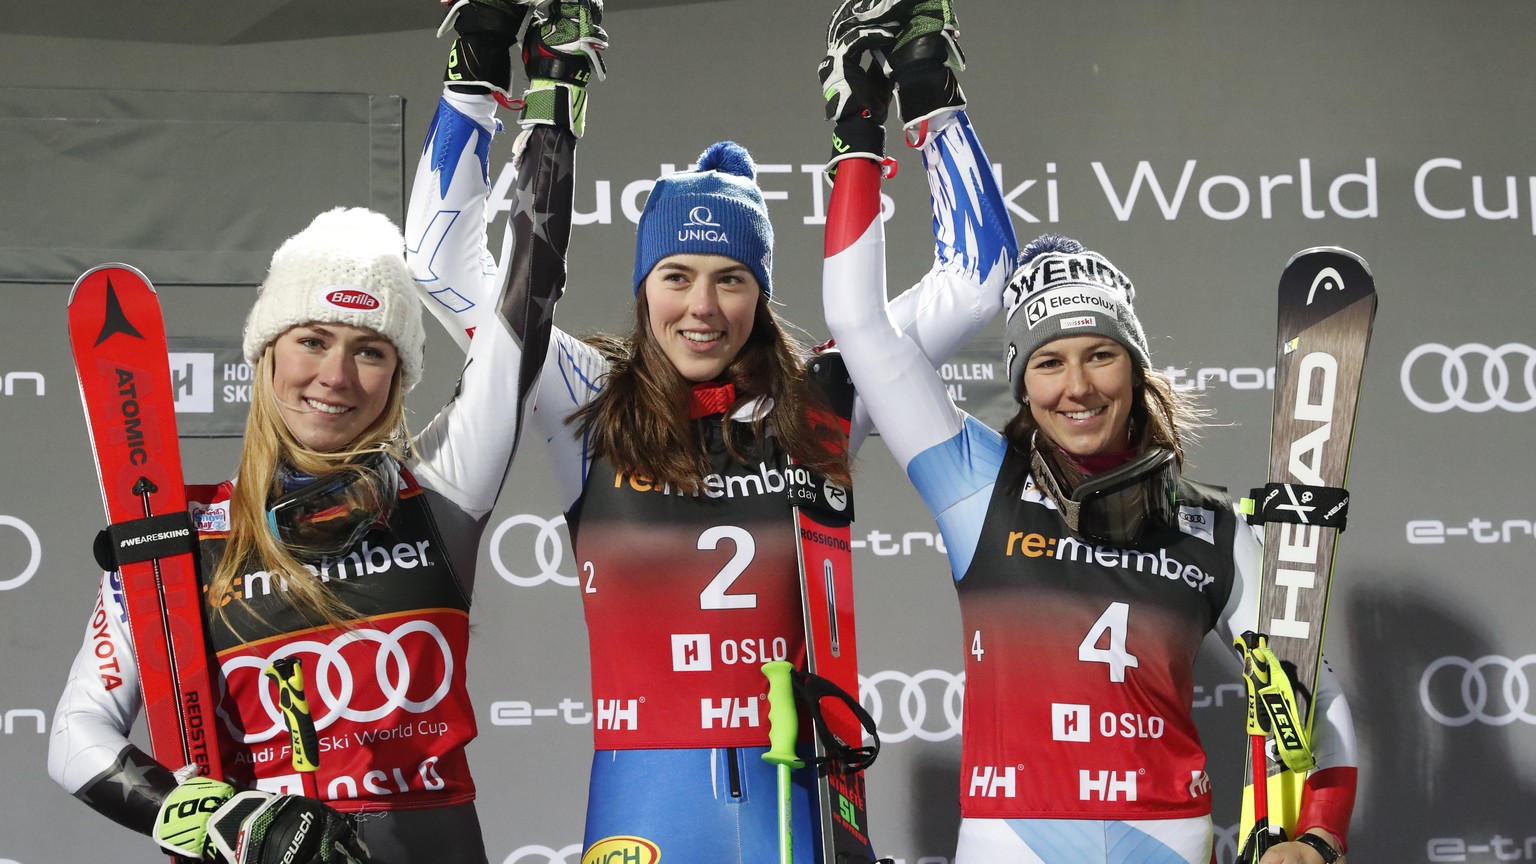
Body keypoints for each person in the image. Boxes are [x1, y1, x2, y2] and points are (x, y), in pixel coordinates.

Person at [405, 2, 1016, 859]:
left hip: (799, 805)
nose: (701, 308)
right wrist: (478, 71)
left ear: (761, 291)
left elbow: (978, 277)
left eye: (731, 279)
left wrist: (925, 98)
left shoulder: (828, 394)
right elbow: (438, 263)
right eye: (677, 275)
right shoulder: (582, 395)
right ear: (644, 282)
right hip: (645, 806)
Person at [46, 4, 598, 862]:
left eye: (370, 351)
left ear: (397, 377)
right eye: (311, 341)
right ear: (266, 358)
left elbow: (524, 308)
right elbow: (76, 735)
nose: (335, 376)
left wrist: (538, 96)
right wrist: (229, 822)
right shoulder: (179, 537)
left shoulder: (440, 490)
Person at [819, 22, 1362, 859]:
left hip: (1170, 838)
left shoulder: (1212, 528)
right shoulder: (977, 483)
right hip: (1011, 836)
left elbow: (1314, 698)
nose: (1077, 385)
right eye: (1050, 363)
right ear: (1023, 380)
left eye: (1101, 355)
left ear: (1136, 369)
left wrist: (1316, 839)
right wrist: (879, 118)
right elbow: (859, 324)